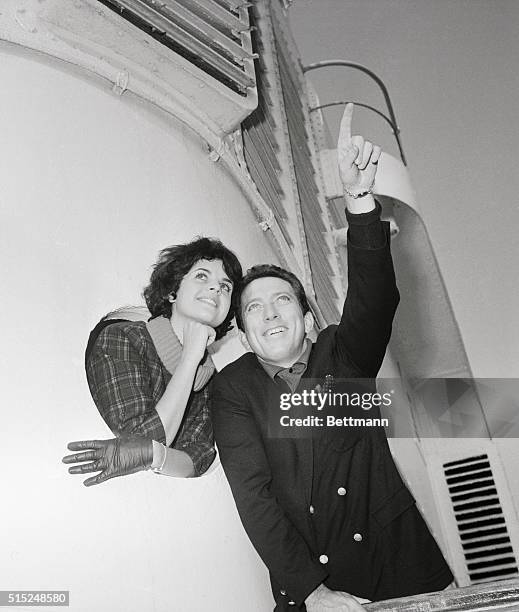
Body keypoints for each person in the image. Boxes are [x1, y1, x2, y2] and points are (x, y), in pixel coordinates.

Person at [210, 104, 453, 611]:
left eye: (282, 301)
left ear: (306, 316)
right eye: (253, 308)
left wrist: (360, 199)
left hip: (398, 569)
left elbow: (375, 300)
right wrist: (314, 594)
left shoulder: (341, 354)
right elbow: (254, 498)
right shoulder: (233, 390)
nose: (270, 314)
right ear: (245, 334)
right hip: (316, 588)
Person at [63, 237, 242, 485]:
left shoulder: (212, 384)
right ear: (172, 292)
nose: (216, 289)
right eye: (202, 276)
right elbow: (136, 442)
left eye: (226, 287)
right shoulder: (123, 339)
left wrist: (158, 455)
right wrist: (190, 357)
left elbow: (197, 458)